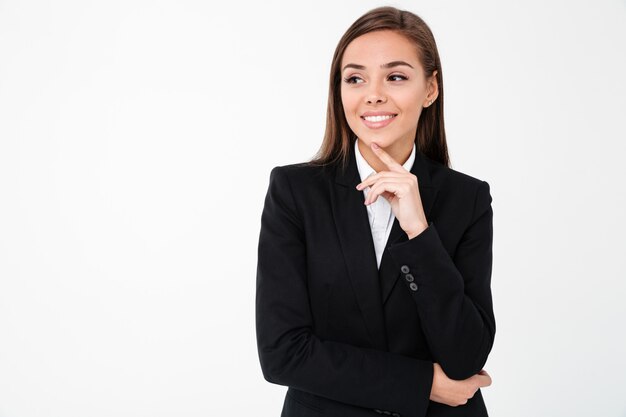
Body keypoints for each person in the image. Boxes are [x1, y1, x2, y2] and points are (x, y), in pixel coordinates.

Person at [255, 6, 495, 417]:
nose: (373, 94)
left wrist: (419, 231)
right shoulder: (294, 191)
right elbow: (283, 353)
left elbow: (466, 355)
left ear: (430, 88)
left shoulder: (467, 199)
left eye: (396, 76)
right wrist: (423, 385)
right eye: (355, 78)